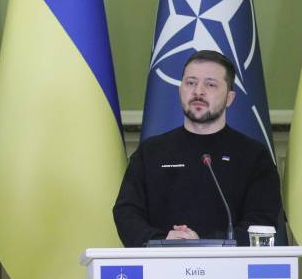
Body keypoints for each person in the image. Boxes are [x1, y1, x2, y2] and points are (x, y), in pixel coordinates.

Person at [113, 50, 281, 247]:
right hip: (159, 260)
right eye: (191, 83)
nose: (198, 91)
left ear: (230, 98)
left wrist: (205, 243)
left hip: (229, 264)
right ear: (180, 90)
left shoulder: (254, 156)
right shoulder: (150, 152)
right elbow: (127, 212)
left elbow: (261, 222)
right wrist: (162, 241)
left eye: (210, 84)